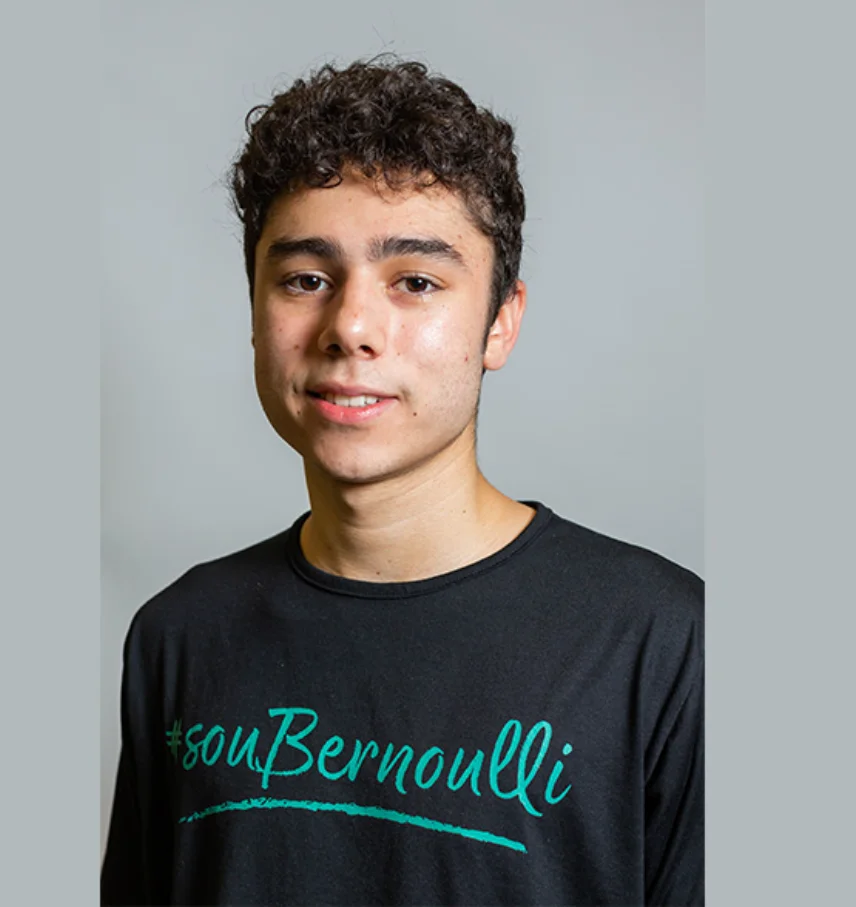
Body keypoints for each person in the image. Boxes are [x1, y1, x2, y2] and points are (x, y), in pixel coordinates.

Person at [101, 56, 703, 906]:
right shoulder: (178, 637)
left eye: (415, 281)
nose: (350, 326)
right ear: (255, 312)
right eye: (306, 279)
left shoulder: (665, 645)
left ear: (501, 322)